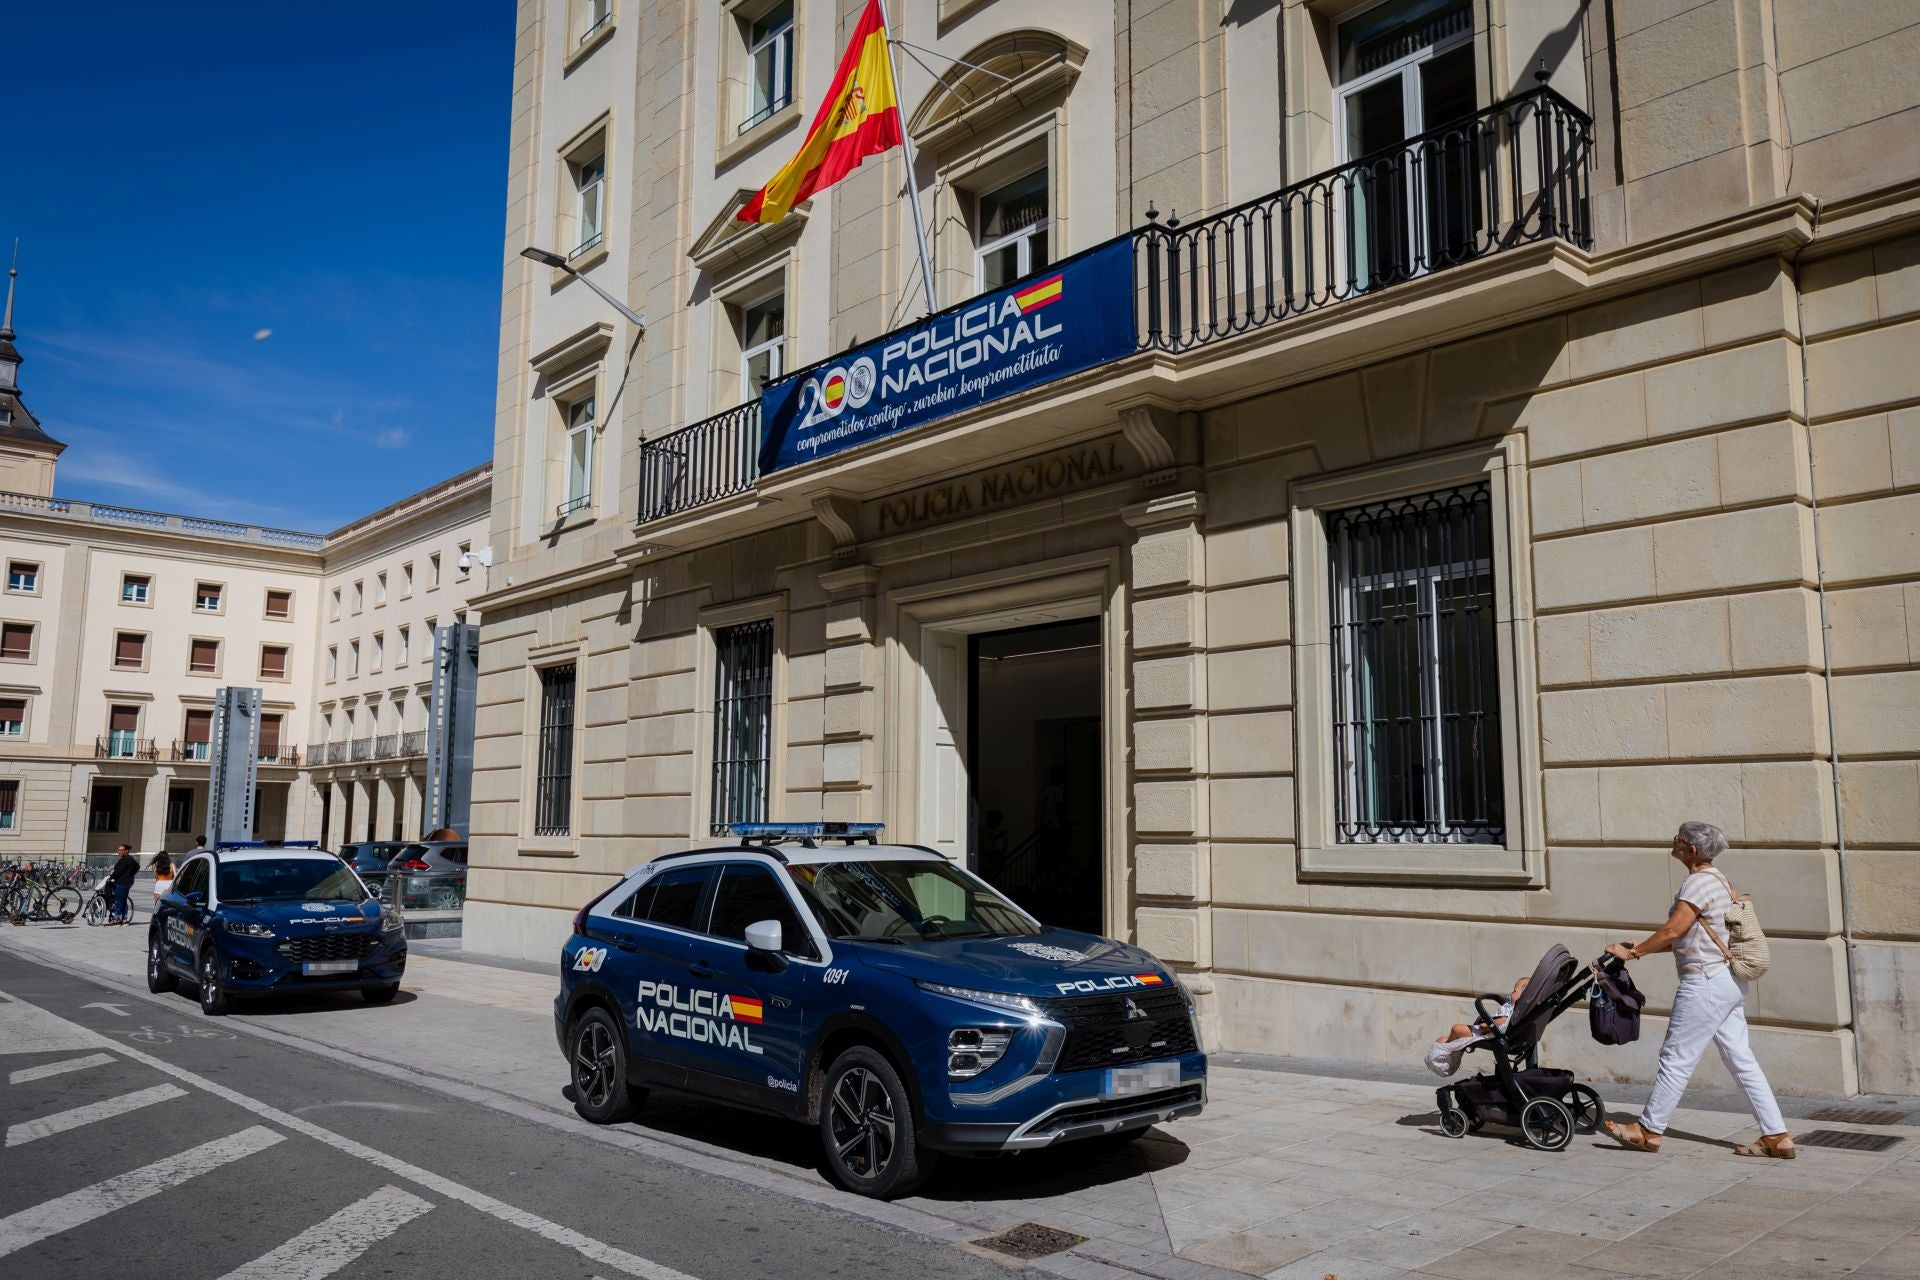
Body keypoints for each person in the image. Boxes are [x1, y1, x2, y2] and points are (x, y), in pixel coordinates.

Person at [1603, 821, 1795, 1159]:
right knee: (1741, 1059)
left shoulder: (1698, 883)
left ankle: (1648, 1131)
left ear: (1691, 849)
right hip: (1727, 982)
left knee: (1676, 1057)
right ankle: (1776, 1137)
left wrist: (1633, 953)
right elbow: (1689, 937)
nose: (1673, 841)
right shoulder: (1719, 880)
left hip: (1705, 983)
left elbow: (1673, 930)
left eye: (1678, 838)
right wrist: (1643, 945)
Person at [1425, 975, 1527, 1077]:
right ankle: (1451, 1050)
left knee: (1456, 1029)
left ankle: (1451, 1054)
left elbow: (1497, 1023)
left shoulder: (1512, 1012)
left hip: (1490, 1032)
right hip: (1495, 1032)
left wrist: (1485, 1025)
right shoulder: (1517, 1008)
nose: (1511, 994)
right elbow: (1522, 982)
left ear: (1522, 998)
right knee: (1447, 1038)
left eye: (1514, 992)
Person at [107, 845, 140, 925]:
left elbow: (118, 871)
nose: (118, 852)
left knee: (118, 900)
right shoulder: (131, 859)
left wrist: (110, 878)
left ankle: (116, 918)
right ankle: (124, 918)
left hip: (122, 882)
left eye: (120, 850)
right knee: (123, 899)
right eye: (118, 850)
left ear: (126, 851)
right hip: (128, 882)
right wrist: (130, 874)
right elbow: (137, 867)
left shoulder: (124, 860)